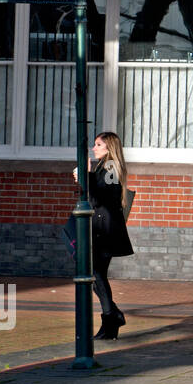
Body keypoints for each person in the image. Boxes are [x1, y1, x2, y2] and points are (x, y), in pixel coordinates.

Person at [73, 131, 134, 340]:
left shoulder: (109, 167)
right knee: (95, 275)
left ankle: (111, 317)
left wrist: (86, 175)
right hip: (102, 229)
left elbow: (103, 196)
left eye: (98, 145)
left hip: (105, 230)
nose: (94, 148)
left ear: (109, 148)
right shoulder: (106, 166)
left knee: (95, 274)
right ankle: (112, 317)